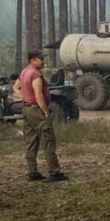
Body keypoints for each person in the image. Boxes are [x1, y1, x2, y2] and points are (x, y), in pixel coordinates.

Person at [14, 50, 67, 181]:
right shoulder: (35, 74)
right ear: (33, 60)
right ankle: (55, 172)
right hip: (36, 110)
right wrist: (45, 111)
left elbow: (16, 87)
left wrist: (26, 98)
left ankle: (33, 172)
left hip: (27, 109)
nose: (43, 61)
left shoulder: (24, 72)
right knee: (48, 139)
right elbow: (39, 95)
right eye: (41, 59)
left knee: (31, 141)